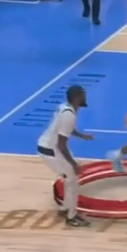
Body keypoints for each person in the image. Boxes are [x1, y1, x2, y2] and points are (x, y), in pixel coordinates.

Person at [37, 85, 93, 227]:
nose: (85, 97)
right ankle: (72, 216)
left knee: (69, 178)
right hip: (51, 150)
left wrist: (81, 135)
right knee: (72, 178)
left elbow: (64, 128)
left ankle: (65, 209)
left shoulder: (65, 108)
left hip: (48, 146)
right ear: (77, 98)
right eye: (83, 95)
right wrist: (74, 164)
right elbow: (62, 144)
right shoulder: (69, 115)